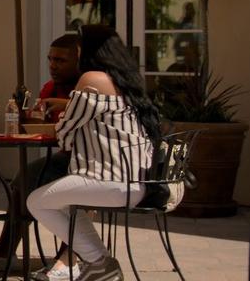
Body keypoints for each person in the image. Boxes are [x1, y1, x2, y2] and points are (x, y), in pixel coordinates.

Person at [27, 25, 160, 281]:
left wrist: (68, 124)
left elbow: (65, 132)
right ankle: (98, 262)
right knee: (62, 203)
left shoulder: (92, 80)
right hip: (139, 181)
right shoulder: (127, 82)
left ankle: (99, 260)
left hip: (110, 179)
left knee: (36, 201)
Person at [0, 34, 82, 279]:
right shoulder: (51, 87)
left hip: (91, 161)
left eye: (60, 60)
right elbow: (37, 122)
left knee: (70, 193)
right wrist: (25, 111)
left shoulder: (89, 86)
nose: (53, 65)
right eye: (50, 59)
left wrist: (60, 104)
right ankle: (5, 251)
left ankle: (69, 258)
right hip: (64, 155)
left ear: (79, 61)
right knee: (22, 181)